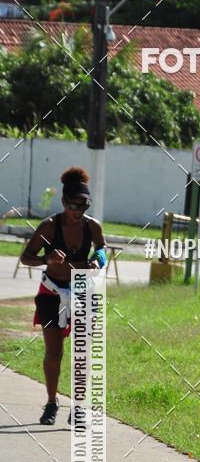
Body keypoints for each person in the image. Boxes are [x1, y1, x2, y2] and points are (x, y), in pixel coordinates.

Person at [20, 167, 106, 425]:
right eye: (72, 204)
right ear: (63, 202)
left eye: (83, 204)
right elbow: (25, 257)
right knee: (54, 353)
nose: (78, 209)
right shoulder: (49, 226)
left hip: (82, 292)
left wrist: (97, 260)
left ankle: (78, 407)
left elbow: (102, 249)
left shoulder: (93, 227)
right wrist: (45, 258)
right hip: (52, 293)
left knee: (83, 353)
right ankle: (51, 402)